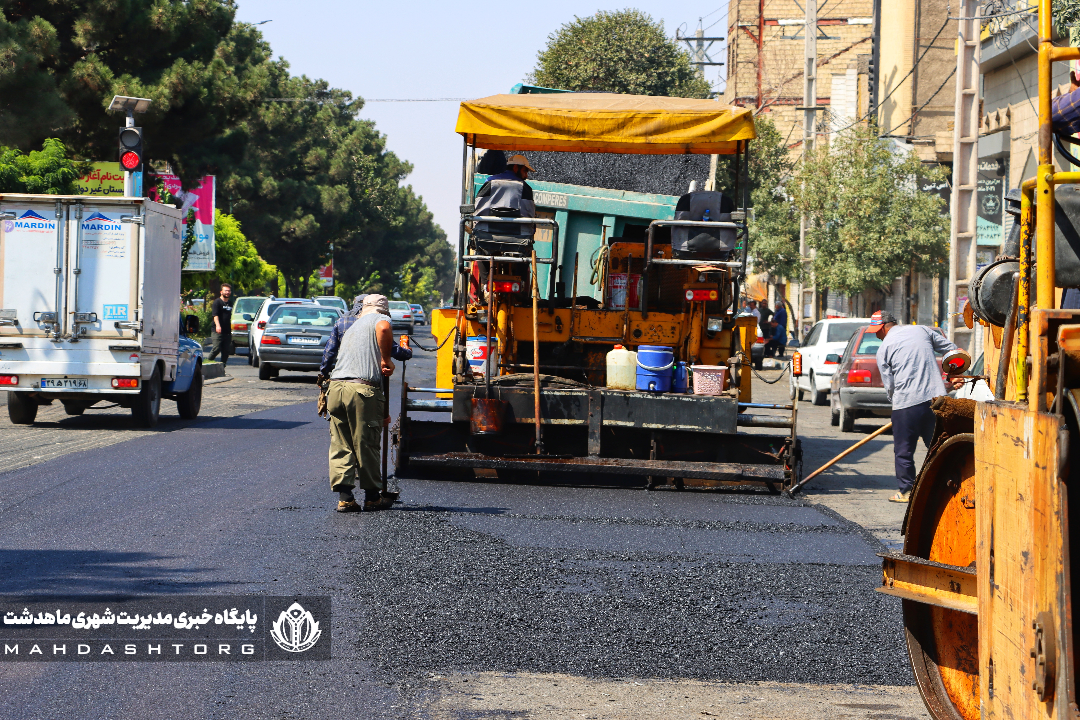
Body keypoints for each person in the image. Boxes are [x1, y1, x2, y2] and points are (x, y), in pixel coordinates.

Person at [873, 311, 967, 503]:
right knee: (938, 446)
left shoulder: (884, 348)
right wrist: (955, 374)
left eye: (876, 331)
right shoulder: (923, 330)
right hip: (936, 400)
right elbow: (951, 351)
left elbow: (889, 384)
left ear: (883, 328)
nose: (876, 335)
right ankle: (948, 485)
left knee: (903, 451)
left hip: (906, 405)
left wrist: (896, 405)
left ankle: (906, 492)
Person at [326, 295, 397, 513]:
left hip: (336, 389)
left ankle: (345, 498)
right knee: (366, 442)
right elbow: (384, 329)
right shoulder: (379, 320)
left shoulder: (354, 326)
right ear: (383, 310)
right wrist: (387, 360)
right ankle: (372, 497)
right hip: (361, 391)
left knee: (341, 443)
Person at [208, 284, 233, 366]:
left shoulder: (230, 303)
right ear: (221, 292)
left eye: (229, 291)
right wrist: (218, 326)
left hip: (227, 331)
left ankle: (222, 367)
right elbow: (215, 316)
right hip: (217, 330)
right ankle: (207, 362)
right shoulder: (217, 302)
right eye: (226, 290)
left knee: (226, 351)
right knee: (216, 348)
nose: (227, 292)